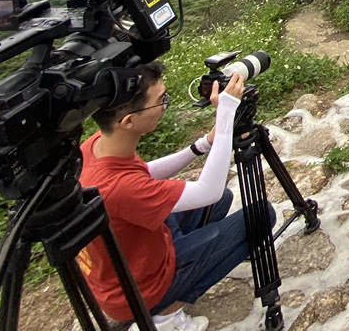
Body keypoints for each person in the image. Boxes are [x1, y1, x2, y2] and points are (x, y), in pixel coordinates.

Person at [77, 61, 274, 331]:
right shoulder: (118, 187)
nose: (164, 106)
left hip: (128, 260)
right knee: (262, 215)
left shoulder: (95, 147)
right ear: (128, 121)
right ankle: (164, 316)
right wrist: (227, 112)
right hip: (137, 291)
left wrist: (203, 144)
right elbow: (208, 189)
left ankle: (188, 263)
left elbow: (144, 172)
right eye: (161, 100)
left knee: (222, 201)